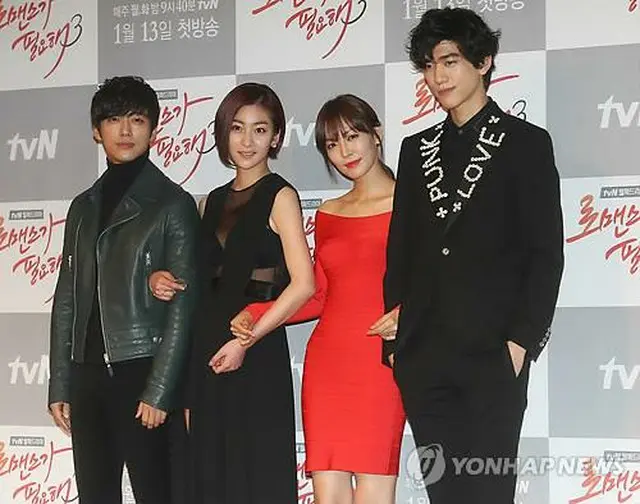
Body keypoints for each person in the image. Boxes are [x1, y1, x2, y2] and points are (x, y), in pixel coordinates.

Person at [382, 8, 564, 503]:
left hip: (492, 356)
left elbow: (545, 254)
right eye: (428, 65)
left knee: (488, 493)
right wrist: (397, 350)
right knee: (444, 495)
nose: (437, 77)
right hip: (424, 357)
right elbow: (401, 250)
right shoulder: (416, 149)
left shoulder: (526, 144)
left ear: (483, 62)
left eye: (449, 61)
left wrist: (519, 345)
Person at [231, 94, 406, 504]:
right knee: (328, 495)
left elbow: (439, 281)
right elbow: (319, 294)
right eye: (332, 143)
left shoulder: (410, 205)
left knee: (375, 489)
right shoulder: (329, 212)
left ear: (377, 135)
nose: (345, 151)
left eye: (352, 136)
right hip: (327, 364)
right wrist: (255, 313)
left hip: (381, 364)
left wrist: (410, 313)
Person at [149, 82, 315, 504]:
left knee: (255, 477)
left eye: (260, 129)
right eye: (237, 128)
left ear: (276, 137)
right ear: (223, 133)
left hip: (255, 353)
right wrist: (162, 280)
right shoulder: (209, 202)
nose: (247, 140)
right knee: (209, 478)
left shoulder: (281, 196)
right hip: (206, 353)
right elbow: (200, 285)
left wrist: (247, 340)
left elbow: (304, 285)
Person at [47, 75, 200, 504]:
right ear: (97, 131)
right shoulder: (82, 206)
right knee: (95, 495)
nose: (126, 130)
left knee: (157, 494)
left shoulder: (173, 204)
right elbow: (66, 299)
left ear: (154, 128)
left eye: (137, 119)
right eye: (114, 119)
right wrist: (61, 382)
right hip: (87, 376)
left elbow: (184, 307)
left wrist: (159, 390)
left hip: (141, 370)